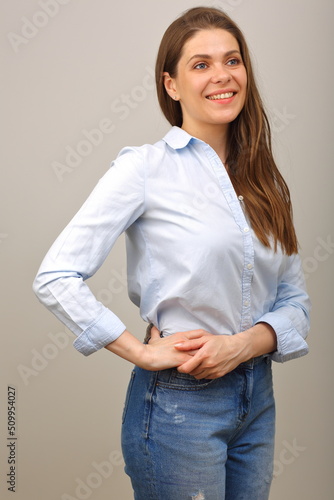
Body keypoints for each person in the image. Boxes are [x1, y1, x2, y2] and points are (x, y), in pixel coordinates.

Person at [33, 6, 310, 500]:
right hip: (180, 404)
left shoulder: (266, 182)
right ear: (171, 85)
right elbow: (56, 275)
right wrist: (138, 351)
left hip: (257, 399)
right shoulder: (145, 169)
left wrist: (241, 345)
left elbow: (295, 303)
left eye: (233, 60)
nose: (222, 75)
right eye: (200, 64)